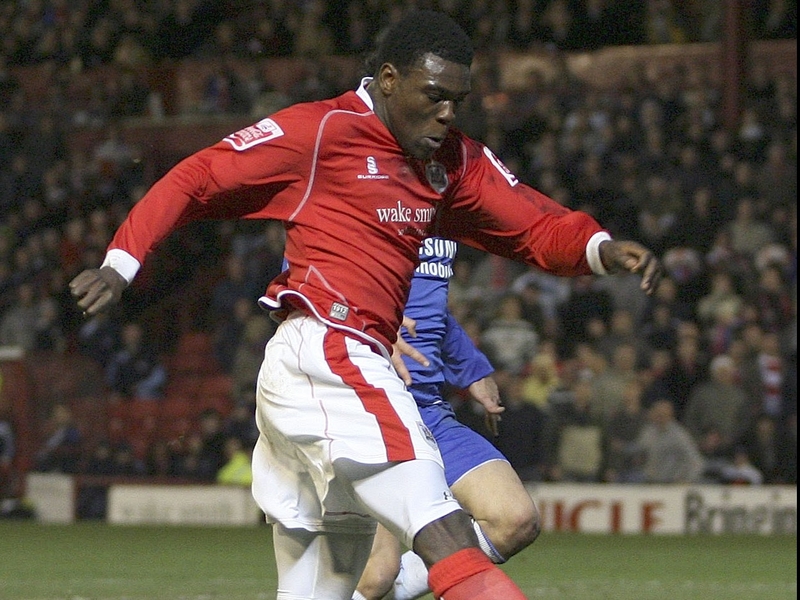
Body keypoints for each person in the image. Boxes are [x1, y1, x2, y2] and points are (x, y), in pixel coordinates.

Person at [70, 10, 662, 600]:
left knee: (329, 588)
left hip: (322, 369)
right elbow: (198, 177)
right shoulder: (322, 131)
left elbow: (531, 223)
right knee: (446, 533)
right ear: (387, 79)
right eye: (434, 96)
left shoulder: (448, 160)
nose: (448, 113)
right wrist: (122, 263)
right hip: (331, 352)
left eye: (459, 100)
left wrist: (600, 249)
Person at [353, 237, 539, 600]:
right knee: (376, 574)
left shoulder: (437, 211)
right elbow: (304, 289)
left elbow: (432, 309)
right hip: (369, 408)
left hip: (428, 410)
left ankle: (402, 585)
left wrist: (472, 370)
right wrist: (368, 330)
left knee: (515, 520)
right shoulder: (355, 198)